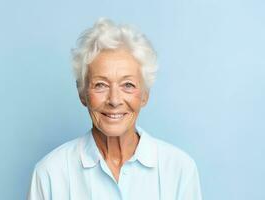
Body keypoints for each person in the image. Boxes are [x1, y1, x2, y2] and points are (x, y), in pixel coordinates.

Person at [27, 18, 202, 200]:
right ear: (82, 94)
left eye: (128, 85)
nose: (114, 100)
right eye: (100, 85)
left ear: (144, 95)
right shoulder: (50, 173)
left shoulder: (180, 169)